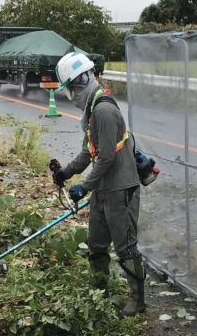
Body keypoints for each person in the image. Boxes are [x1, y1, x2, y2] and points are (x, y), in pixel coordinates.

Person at [50, 51, 145, 317]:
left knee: (125, 246)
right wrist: (65, 174)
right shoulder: (93, 111)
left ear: (81, 81)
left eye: (70, 89)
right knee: (96, 242)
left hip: (120, 189)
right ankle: (100, 288)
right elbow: (87, 153)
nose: (71, 96)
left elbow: (106, 158)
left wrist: (85, 186)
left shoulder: (103, 110)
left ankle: (137, 301)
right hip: (104, 189)